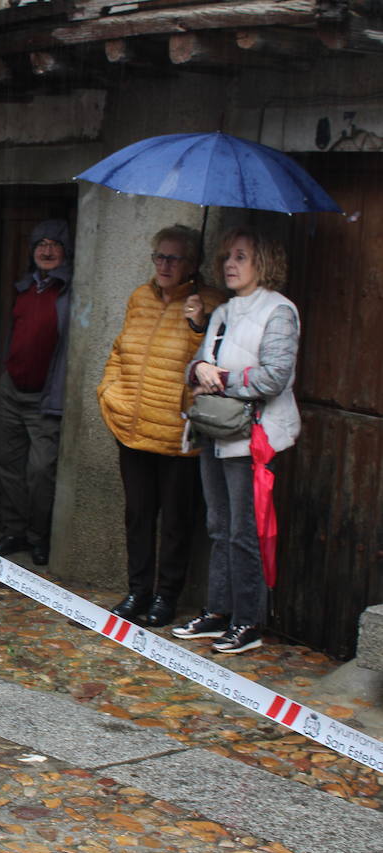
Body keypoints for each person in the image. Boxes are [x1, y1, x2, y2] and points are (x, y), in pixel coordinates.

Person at [173, 227, 299, 655]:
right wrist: (199, 371)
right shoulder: (223, 312)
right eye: (227, 256)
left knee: (245, 531)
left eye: (241, 257)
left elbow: (275, 376)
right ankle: (218, 611)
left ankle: (248, 621)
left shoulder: (279, 311)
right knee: (218, 526)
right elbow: (197, 362)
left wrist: (221, 379)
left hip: (251, 436)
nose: (229, 264)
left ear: (263, 262)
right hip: (214, 430)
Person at [98, 226, 225, 627]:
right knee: (138, 514)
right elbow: (121, 348)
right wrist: (109, 392)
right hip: (133, 426)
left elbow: (210, 362)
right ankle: (138, 590)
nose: (165, 266)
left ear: (192, 264)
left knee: (175, 520)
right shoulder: (140, 296)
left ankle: (166, 596)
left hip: (178, 432)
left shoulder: (210, 303)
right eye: (160, 257)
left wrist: (198, 324)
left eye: (174, 259)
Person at [0, 219, 72, 567]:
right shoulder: (24, 287)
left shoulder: (69, 291)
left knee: (40, 471)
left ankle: (39, 537)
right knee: (7, 463)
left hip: (45, 396)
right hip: (12, 389)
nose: (46, 250)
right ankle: (15, 529)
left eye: (54, 244)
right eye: (40, 244)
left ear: (65, 252)